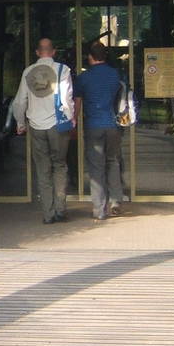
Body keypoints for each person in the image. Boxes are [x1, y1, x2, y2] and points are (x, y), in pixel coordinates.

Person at [8, 37, 74, 224]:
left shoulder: (28, 72)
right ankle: (61, 210)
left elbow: (20, 102)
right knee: (60, 166)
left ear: (38, 52)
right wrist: (70, 119)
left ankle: (48, 214)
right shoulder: (63, 70)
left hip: (36, 126)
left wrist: (21, 123)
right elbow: (67, 99)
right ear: (53, 52)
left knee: (43, 169)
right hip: (58, 127)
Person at [75, 41, 126, 220]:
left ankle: (99, 209)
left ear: (90, 57)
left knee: (96, 167)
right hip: (112, 125)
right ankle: (116, 201)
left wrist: (74, 120)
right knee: (113, 161)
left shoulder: (83, 78)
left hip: (93, 125)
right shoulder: (114, 74)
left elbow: (78, 103)